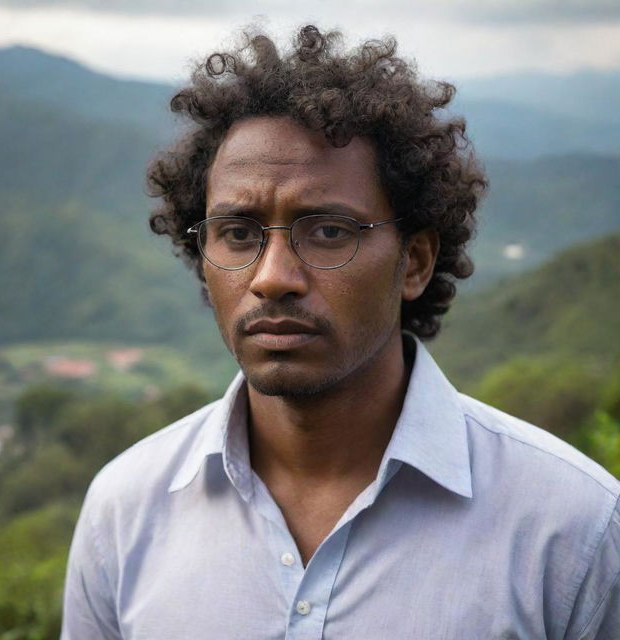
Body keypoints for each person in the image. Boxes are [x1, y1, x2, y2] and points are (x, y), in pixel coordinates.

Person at [61, 25, 620, 639]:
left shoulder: (573, 528)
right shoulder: (124, 512)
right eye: (239, 233)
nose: (273, 278)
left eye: (328, 231)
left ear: (414, 262)